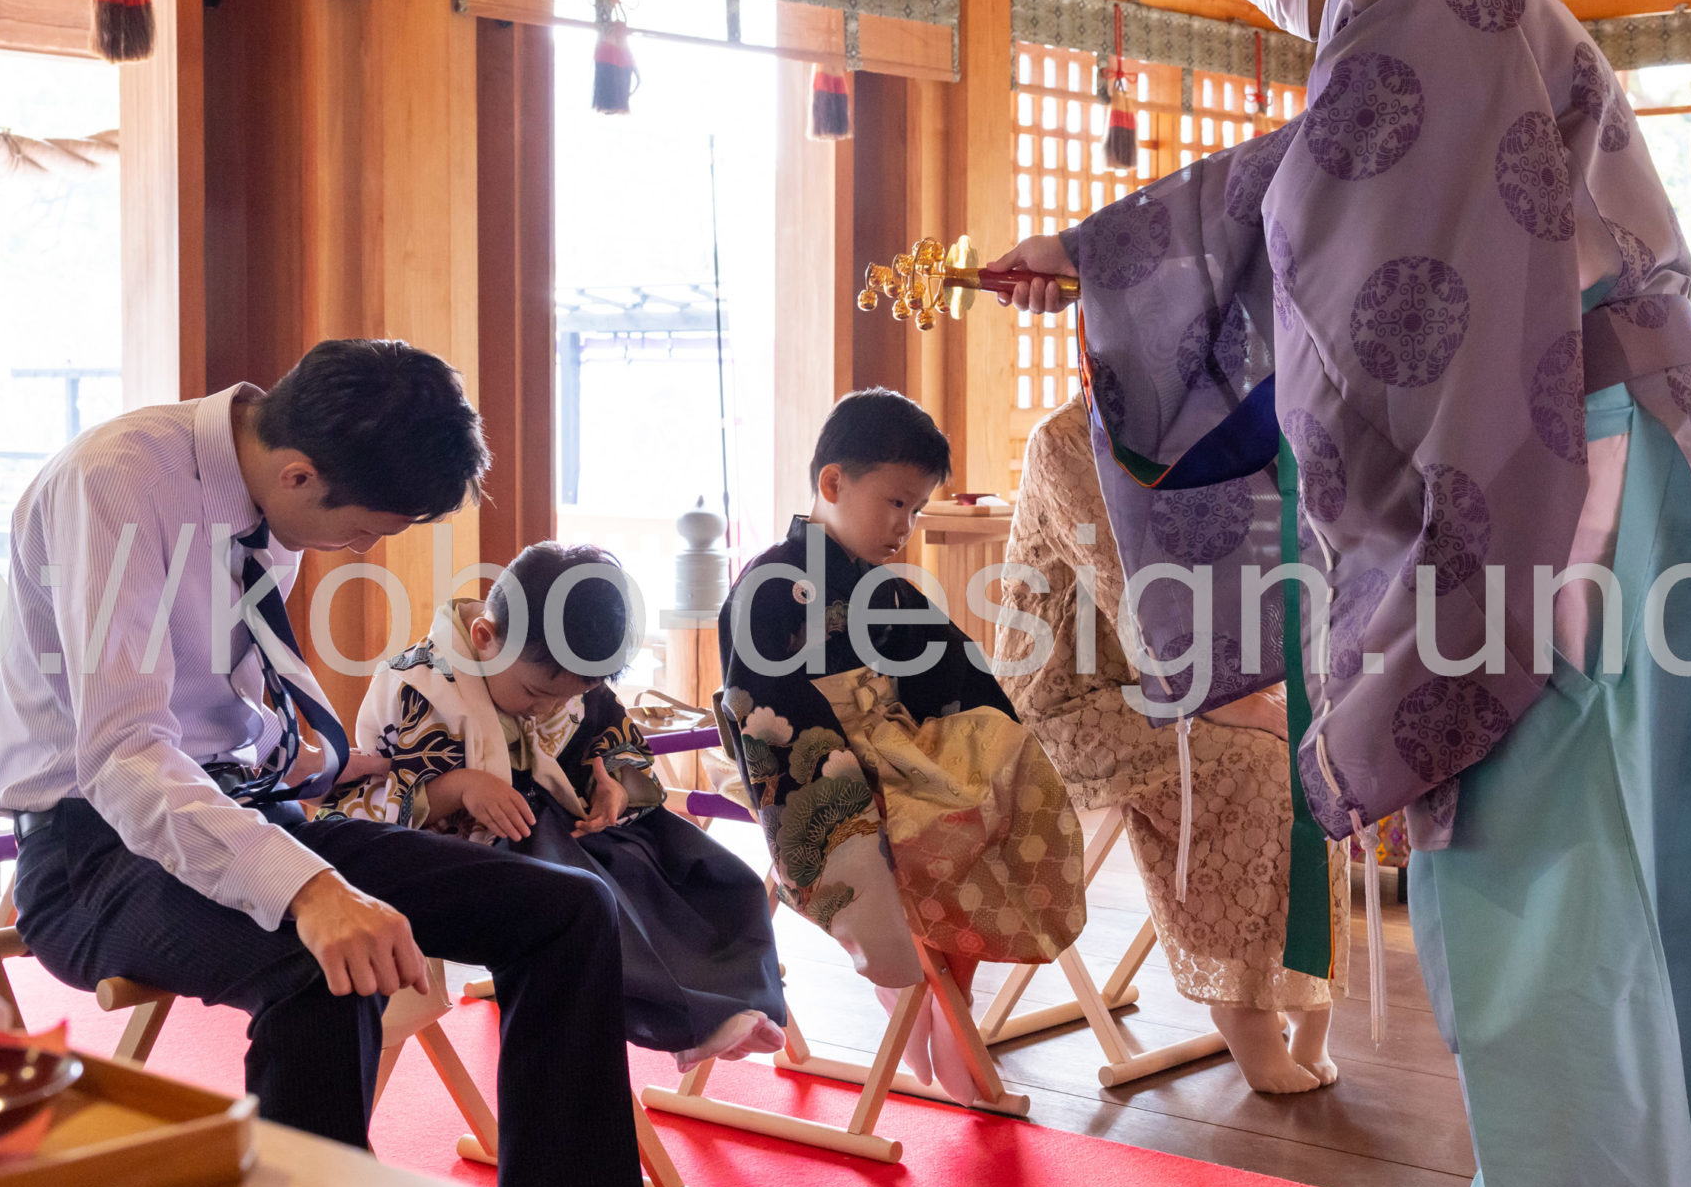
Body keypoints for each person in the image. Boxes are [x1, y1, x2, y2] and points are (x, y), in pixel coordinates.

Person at [989, 0, 1691, 1187]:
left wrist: (1130, 272)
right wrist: (1103, 253)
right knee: (1606, 844)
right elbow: (1308, 188)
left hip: (1561, 456)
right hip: (1611, 435)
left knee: (1533, 851)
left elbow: (1330, 224)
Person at [0, 339, 645, 1187]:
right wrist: (311, 888)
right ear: (299, 473)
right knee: (324, 960)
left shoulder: (265, 496)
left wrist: (314, 760)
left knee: (569, 908)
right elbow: (125, 756)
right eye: (366, 528)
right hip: (91, 853)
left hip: (240, 806)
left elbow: (219, 707)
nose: (360, 546)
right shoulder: (116, 484)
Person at [717, 388, 1085, 1102]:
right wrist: (855, 775)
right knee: (938, 829)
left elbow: (955, 670)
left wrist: (993, 737)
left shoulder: (885, 589)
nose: (905, 525)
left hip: (894, 753)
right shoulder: (770, 585)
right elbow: (762, 704)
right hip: (821, 768)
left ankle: (950, 996)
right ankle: (923, 995)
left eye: (915, 509)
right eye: (895, 502)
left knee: (1003, 792)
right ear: (833, 483)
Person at [335, 541, 788, 1072]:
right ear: (484, 637)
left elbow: (615, 743)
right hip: (480, 853)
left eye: (569, 695)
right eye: (535, 693)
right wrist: (460, 788)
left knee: (712, 871)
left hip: (570, 827)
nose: (549, 708)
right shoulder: (419, 686)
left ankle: (739, 1003)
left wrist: (615, 787)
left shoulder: (566, 673)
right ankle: (690, 1020)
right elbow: (367, 807)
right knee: (589, 902)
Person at [1000, 392, 1338, 1093]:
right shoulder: (1063, 440)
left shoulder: (1195, 426)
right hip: (1071, 699)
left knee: (1316, 756)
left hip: (1180, 679)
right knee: (1255, 767)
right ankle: (1240, 1003)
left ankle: (1307, 991)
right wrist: (1232, 700)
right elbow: (1131, 591)